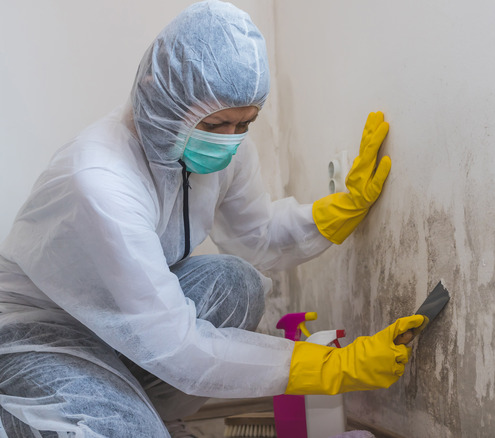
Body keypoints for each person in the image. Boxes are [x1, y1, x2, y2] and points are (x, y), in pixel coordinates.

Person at [0, 1, 424, 436]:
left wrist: (338, 211)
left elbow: (255, 236)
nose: (230, 141)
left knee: (234, 282)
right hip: (43, 332)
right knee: (124, 428)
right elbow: (175, 344)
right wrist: (332, 366)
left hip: (124, 327)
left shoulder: (223, 149)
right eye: (218, 123)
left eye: (246, 124)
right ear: (159, 93)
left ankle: (148, 416)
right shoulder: (99, 179)